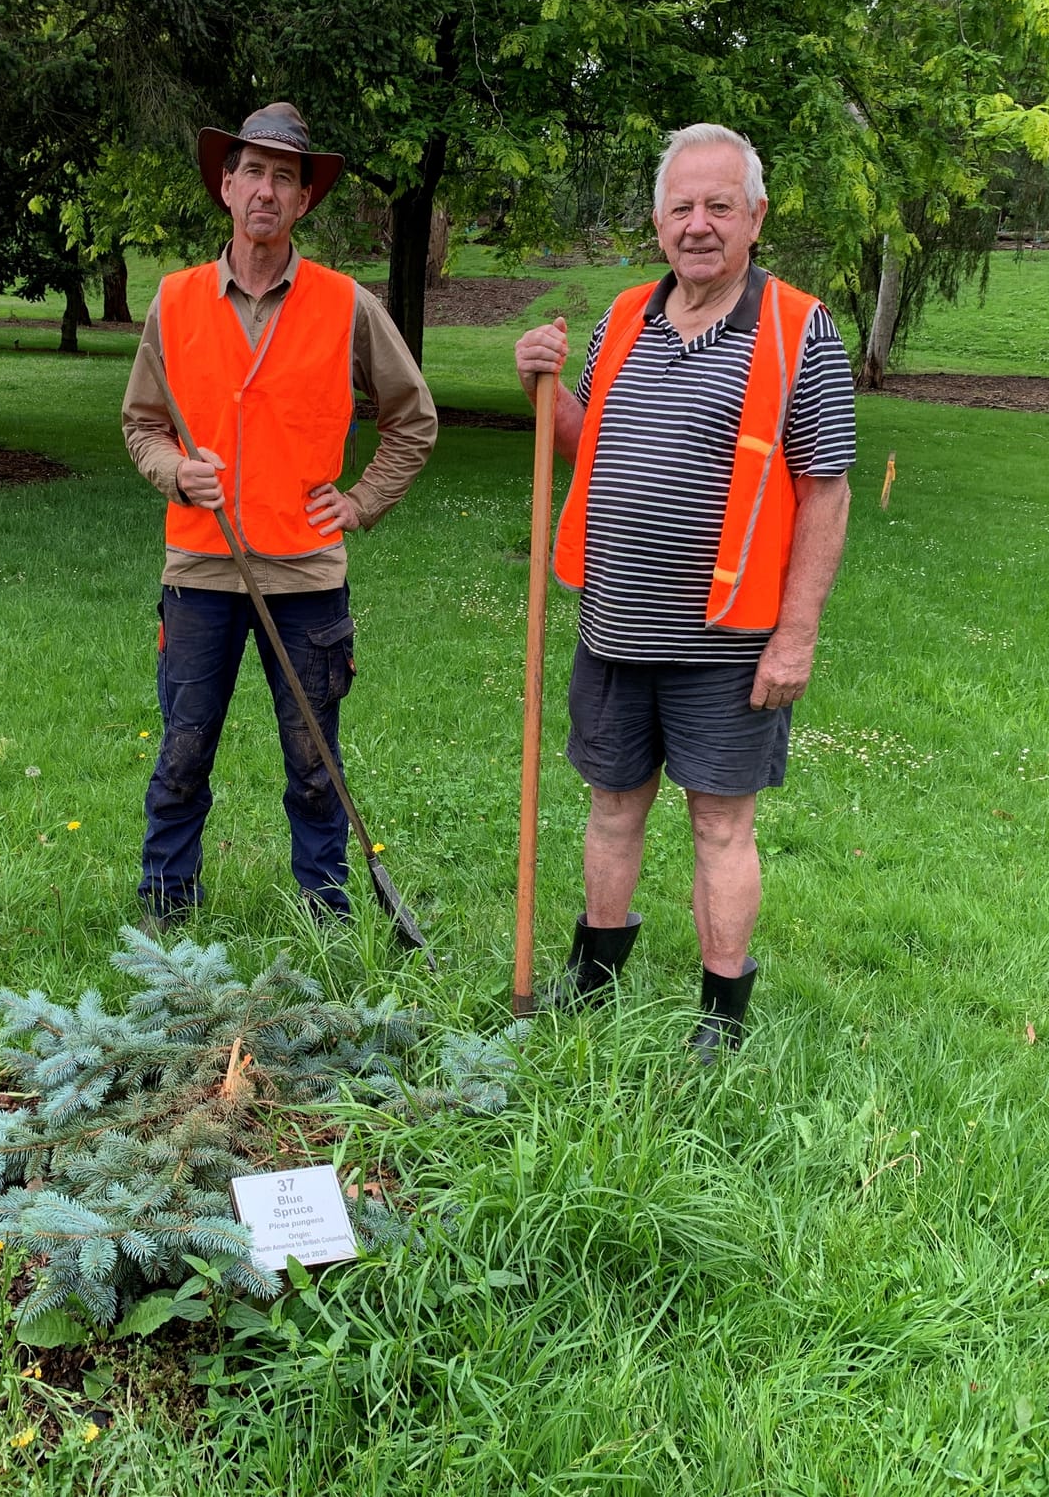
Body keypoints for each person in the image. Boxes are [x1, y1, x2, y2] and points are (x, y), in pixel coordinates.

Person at [513, 124, 856, 1060]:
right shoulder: (625, 316)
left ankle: (720, 1015)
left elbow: (826, 489)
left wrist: (796, 636)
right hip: (614, 627)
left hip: (729, 643)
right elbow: (585, 439)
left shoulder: (800, 329)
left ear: (755, 217)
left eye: (718, 206)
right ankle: (594, 979)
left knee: (721, 826)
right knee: (613, 806)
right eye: (681, 207)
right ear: (659, 220)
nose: (698, 224)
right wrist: (544, 387)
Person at [121, 102, 438, 928]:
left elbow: (413, 418)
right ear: (226, 187)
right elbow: (142, 423)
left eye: (284, 178)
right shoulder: (175, 300)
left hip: (306, 575)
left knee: (313, 761)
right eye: (253, 172)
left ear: (303, 200)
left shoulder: (345, 304)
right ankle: (166, 904)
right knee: (183, 751)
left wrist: (361, 501)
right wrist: (176, 472)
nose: (266, 190)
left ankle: (324, 911)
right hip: (200, 569)